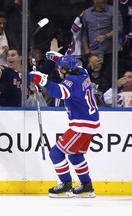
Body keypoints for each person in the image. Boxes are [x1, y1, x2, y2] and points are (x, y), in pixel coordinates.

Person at [30, 52, 100, 198]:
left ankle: (66, 184)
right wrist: (57, 58)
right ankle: (87, 186)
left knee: (56, 153)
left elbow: (59, 92)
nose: (58, 70)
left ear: (65, 70)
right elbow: (72, 66)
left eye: (60, 68)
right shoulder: (83, 73)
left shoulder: (72, 81)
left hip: (81, 126)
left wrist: (44, 81)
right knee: (75, 156)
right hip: (90, 123)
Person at [81, 0, 123, 87]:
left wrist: (106, 36)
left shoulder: (114, 10)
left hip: (109, 51)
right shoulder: (87, 13)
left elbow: (119, 28)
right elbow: (84, 33)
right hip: (93, 52)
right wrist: (87, 52)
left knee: (108, 79)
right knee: (90, 80)